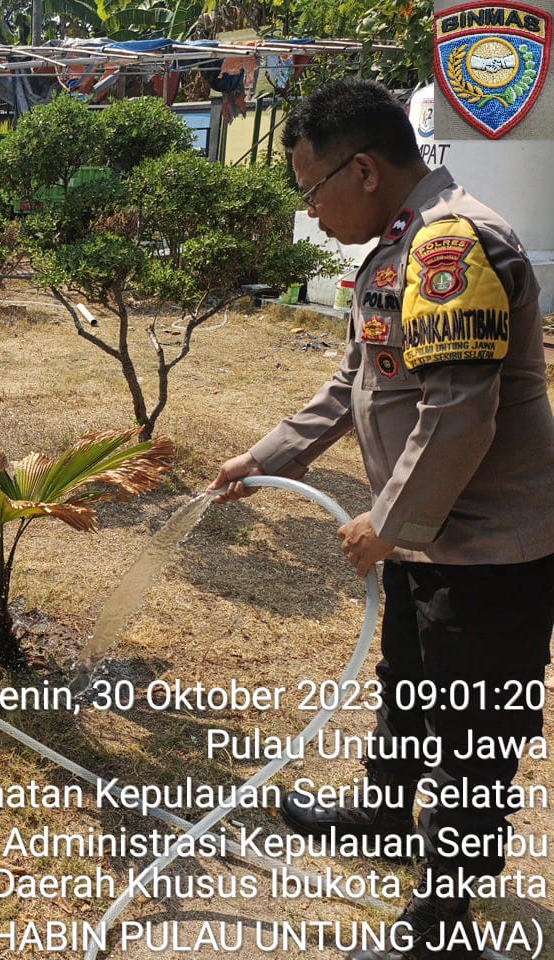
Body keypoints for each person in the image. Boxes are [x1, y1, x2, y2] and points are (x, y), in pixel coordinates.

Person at [209, 79, 554, 960]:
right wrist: (268, 456)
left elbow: (458, 411)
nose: (311, 210)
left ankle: (443, 926)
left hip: (486, 550)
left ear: (361, 169)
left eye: (310, 187)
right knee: (406, 673)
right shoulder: (398, 248)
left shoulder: (453, 245)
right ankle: (384, 808)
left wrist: (389, 520)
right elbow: (359, 380)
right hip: (433, 537)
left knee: (473, 736)